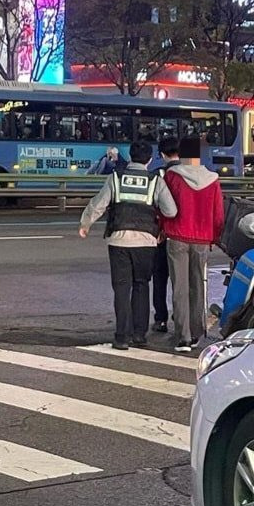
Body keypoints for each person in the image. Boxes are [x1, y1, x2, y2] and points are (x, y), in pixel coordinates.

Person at [79, 140, 177, 350]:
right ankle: (139, 335)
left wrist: (85, 224)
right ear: (150, 160)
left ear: (130, 157)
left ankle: (121, 337)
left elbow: (99, 204)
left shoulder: (116, 177)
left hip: (119, 240)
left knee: (122, 288)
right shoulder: (155, 181)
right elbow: (171, 211)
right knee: (141, 285)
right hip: (146, 242)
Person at [161, 138, 224, 353]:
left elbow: (164, 206)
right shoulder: (213, 179)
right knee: (198, 286)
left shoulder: (173, 176)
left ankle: (183, 337)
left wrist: (162, 228)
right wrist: (214, 238)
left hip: (177, 237)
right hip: (202, 241)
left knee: (179, 288)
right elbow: (218, 214)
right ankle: (197, 334)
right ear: (198, 155)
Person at [151, 137, 181, 333]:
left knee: (160, 279)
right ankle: (181, 318)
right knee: (181, 282)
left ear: (161, 154)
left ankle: (160, 319)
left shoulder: (157, 175)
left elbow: (154, 204)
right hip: (185, 233)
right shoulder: (191, 174)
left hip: (162, 234)